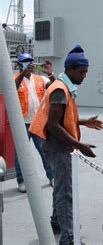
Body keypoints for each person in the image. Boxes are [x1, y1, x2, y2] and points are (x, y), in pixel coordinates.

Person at [29, 45, 103, 245]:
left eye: (86, 72)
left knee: (60, 188)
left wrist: (83, 121)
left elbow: (60, 118)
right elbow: (53, 125)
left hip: (54, 145)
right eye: (81, 72)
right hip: (57, 148)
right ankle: (68, 238)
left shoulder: (61, 85)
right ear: (70, 69)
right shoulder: (60, 90)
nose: (84, 76)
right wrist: (79, 145)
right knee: (65, 193)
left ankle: (56, 222)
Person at [13, 53, 54, 193]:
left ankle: (52, 177)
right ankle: (21, 181)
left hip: (38, 123)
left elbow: (54, 87)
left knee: (44, 151)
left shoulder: (40, 79)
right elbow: (12, 89)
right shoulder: (14, 78)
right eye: (25, 62)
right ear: (19, 65)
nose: (29, 64)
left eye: (30, 61)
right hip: (21, 124)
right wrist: (22, 73)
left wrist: (50, 74)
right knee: (21, 154)